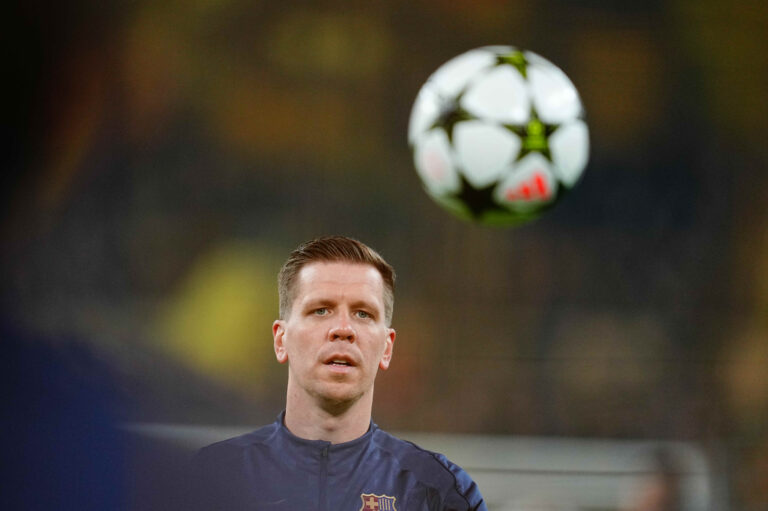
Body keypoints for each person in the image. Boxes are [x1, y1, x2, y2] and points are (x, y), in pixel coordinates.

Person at [190, 235, 487, 510]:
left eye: (363, 314)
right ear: (281, 340)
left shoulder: (438, 492)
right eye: (321, 310)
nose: (343, 329)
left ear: (387, 347)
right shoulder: (207, 481)